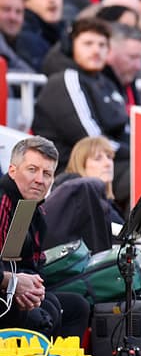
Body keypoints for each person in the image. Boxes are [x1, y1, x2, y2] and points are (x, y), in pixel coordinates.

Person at [31, 17, 131, 206]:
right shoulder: (66, 80)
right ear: (71, 47)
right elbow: (90, 138)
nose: (96, 50)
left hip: (104, 162)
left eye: (102, 45)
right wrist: (134, 152)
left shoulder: (107, 83)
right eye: (88, 43)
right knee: (139, 175)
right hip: (71, 169)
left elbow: (126, 129)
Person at [0, 136, 89, 338]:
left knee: (76, 307)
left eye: (47, 173)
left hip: (8, 291)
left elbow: (18, 264)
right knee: (44, 313)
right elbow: (10, 272)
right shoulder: (3, 202)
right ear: (13, 170)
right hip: (4, 295)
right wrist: (13, 283)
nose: (40, 179)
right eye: (32, 170)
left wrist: (31, 288)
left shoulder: (26, 207)